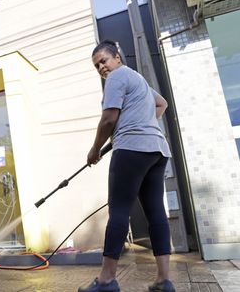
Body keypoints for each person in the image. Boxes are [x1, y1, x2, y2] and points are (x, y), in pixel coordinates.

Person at [78, 40, 175, 292]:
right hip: (157, 150)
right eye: (97, 65)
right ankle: (164, 280)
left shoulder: (116, 78)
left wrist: (94, 149)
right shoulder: (138, 80)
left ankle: (106, 280)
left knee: (119, 211)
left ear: (117, 58)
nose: (101, 67)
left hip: (132, 149)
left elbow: (109, 119)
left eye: (104, 60)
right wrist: (144, 124)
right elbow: (161, 103)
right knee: (155, 212)